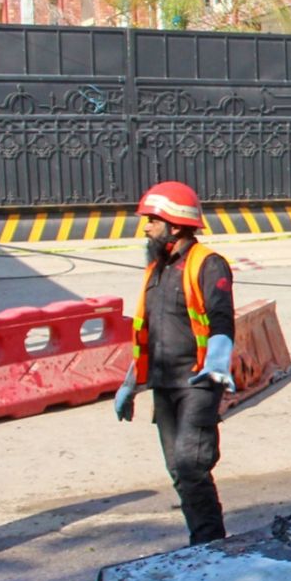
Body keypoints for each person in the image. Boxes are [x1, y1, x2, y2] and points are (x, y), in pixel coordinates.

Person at [112, 182, 238, 546]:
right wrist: (130, 383)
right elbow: (148, 332)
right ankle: (203, 541)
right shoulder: (157, 269)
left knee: (190, 463)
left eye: (153, 219)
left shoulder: (208, 263)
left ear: (177, 224)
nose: (146, 227)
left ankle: (209, 546)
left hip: (198, 382)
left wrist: (217, 362)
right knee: (179, 472)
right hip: (164, 385)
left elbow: (220, 319)